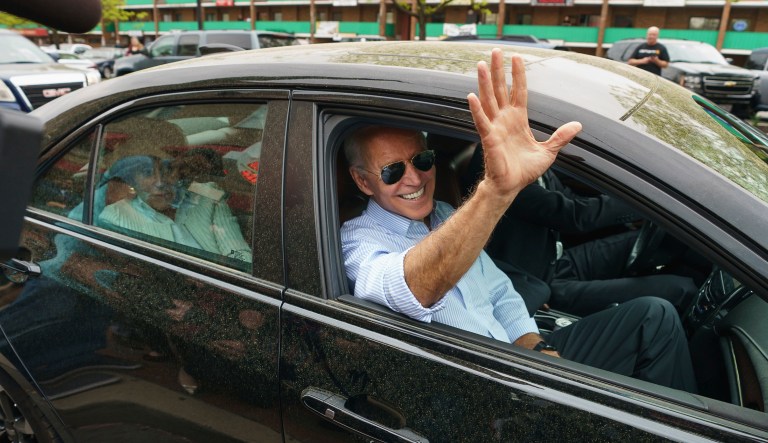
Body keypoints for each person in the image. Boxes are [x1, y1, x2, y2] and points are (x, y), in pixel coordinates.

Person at [341, 48, 697, 393]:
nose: (414, 179)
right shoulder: (357, 239)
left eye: (422, 160)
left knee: (654, 315)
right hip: (480, 387)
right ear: (362, 181)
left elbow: (500, 291)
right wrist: (496, 191)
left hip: (520, 355)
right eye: (392, 171)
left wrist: (535, 347)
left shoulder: (446, 213)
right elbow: (409, 288)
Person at [463, 152, 698, 317]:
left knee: (665, 241)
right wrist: (649, 200)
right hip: (537, 285)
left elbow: (567, 198)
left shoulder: (523, 155)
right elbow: (573, 215)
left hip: (558, 262)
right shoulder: (494, 171)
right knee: (680, 289)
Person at [97, 154, 252, 263]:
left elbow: (236, 251)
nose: (160, 183)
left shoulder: (208, 195)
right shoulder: (115, 217)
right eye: (147, 173)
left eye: (167, 170)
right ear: (133, 181)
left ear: (178, 174)